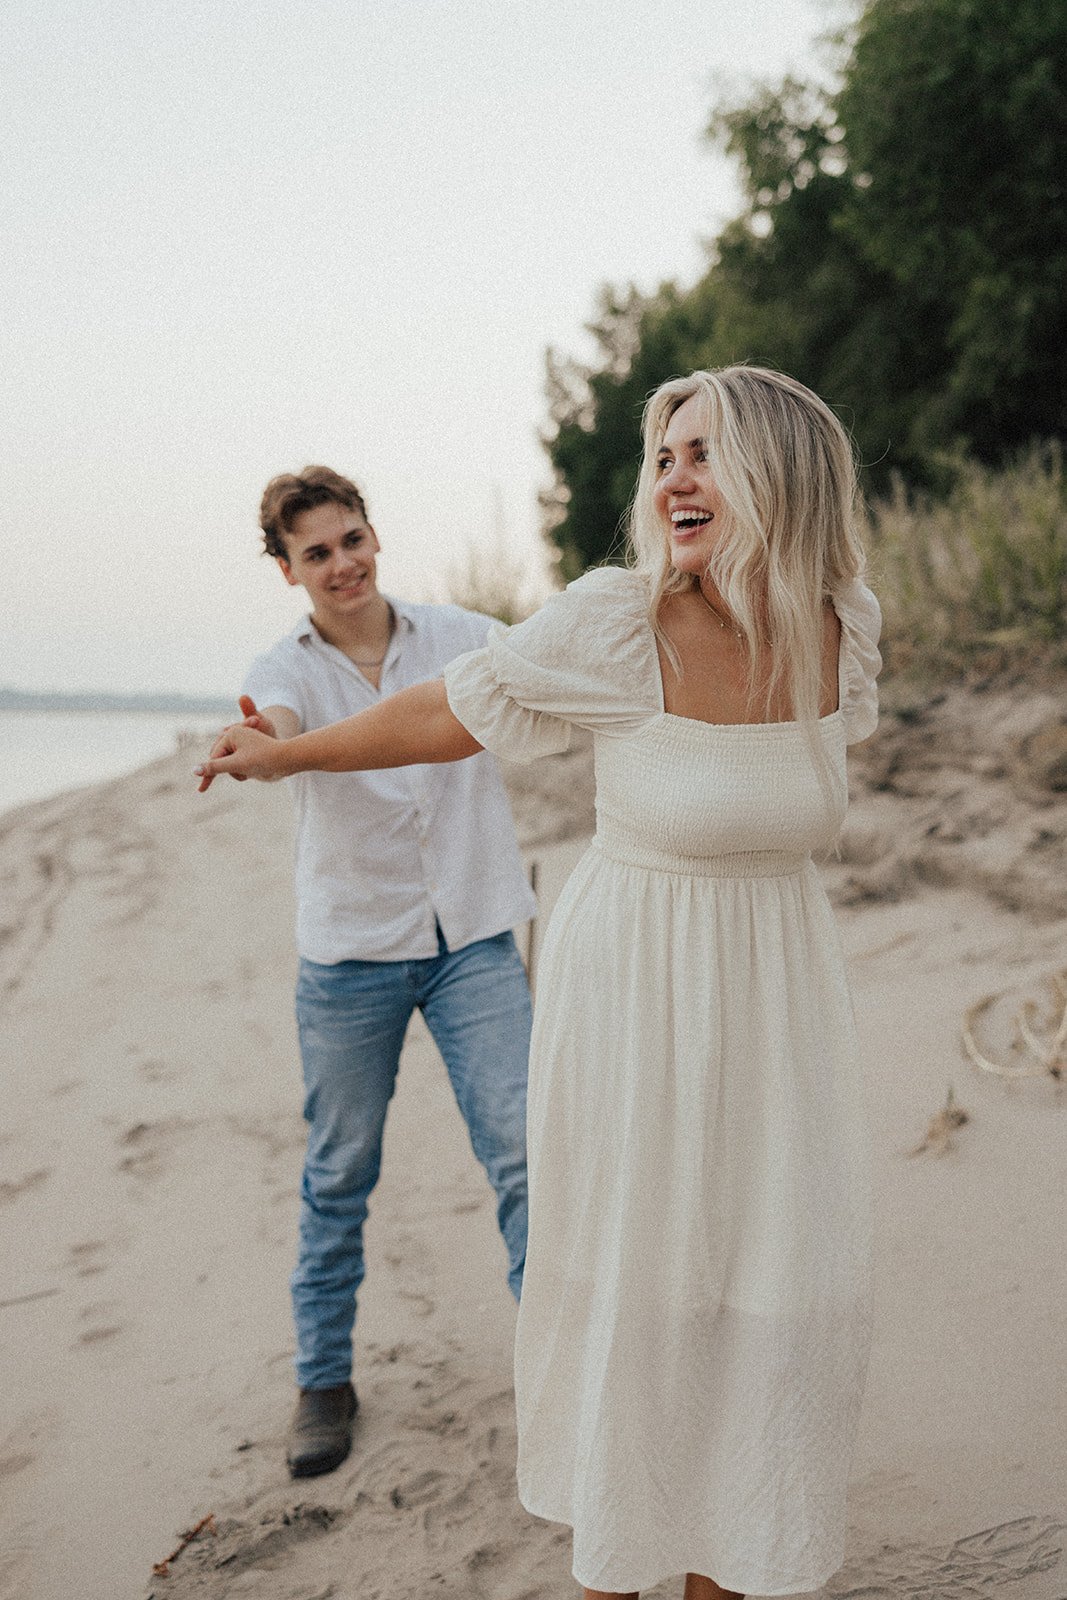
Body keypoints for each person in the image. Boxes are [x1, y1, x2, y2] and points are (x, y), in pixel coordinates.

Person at [198, 369, 881, 1599]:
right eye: (663, 454)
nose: (671, 476)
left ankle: (736, 1555)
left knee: (776, 1282)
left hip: (776, 999)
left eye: (703, 453)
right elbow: (439, 716)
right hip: (635, 992)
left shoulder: (842, 624)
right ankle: (607, 1555)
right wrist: (287, 751)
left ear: (782, 474)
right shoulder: (616, 622)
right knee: (642, 1280)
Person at [224, 466, 535, 1480]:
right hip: (351, 954)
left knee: (527, 1149)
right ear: (287, 571)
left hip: (474, 940)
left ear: (374, 536)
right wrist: (259, 743)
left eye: (351, 539)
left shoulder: (465, 636)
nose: (342, 563)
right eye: (316, 552)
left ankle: (560, 1361)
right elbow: (273, 725)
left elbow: (545, 676)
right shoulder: (286, 663)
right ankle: (322, 1379)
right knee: (339, 1169)